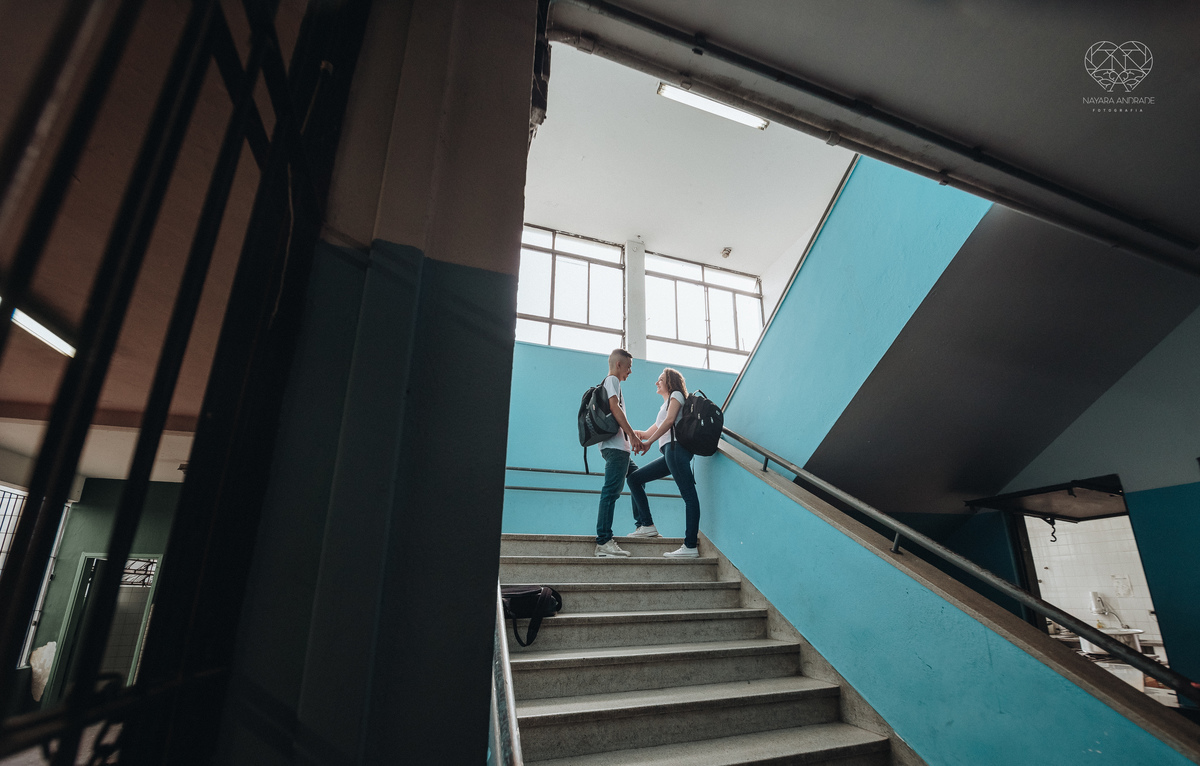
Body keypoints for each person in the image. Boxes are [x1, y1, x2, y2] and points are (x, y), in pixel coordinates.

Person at [626, 368, 700, 557]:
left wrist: (649, 443)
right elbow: (646, 433)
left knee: (689, 497)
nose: (656, 383)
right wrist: (623, 430)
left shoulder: (676, 395)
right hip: (670, 453)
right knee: (635, 479)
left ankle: (690, 546)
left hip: (676, 450)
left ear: (670, 382)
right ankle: (646, 525)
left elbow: (668, 423)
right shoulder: (665, 404)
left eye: (660, 379)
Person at [594, 349, 648, 557]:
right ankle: (603, 542)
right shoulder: (612, 381)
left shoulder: (610, 383)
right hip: (616, 449)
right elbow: (615, 410)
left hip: (617, 448)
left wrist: (631, 438)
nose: (630, 371)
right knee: (611, 492)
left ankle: (643, 525)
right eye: (629, 367)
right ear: (618, 364)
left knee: (637, 479)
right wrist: (632, 436)